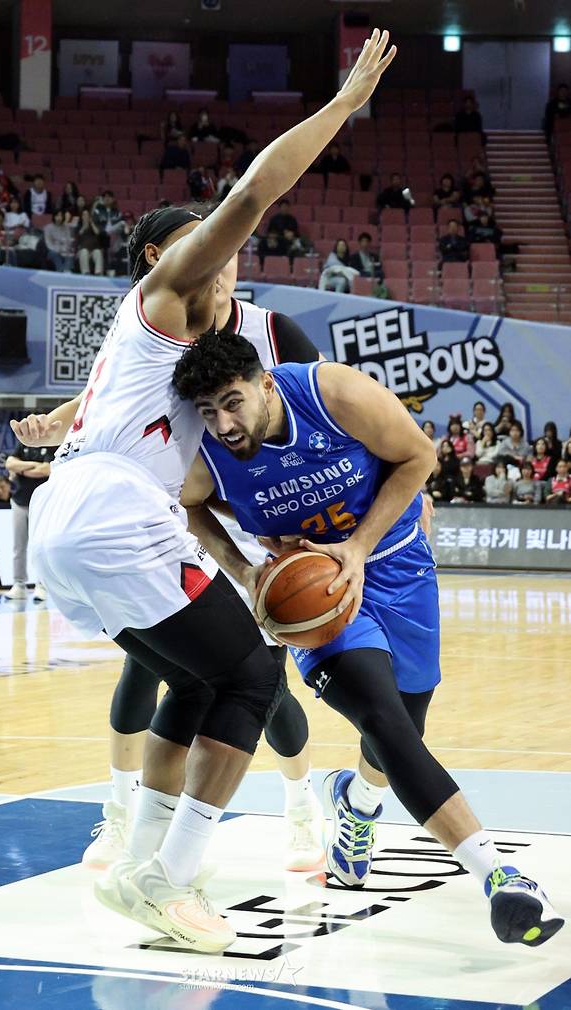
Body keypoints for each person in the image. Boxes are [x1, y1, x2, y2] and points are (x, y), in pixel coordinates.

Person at [10, 28, 399, 955]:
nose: (221, 258)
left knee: (192, 677)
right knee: (255, 676)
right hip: (112, 514)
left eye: (222, 251)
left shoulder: (219, 342)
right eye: (207, 247)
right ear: (173, 259)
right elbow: (256, 190)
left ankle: (140, 853)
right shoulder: (174, 291)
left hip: (77, 516)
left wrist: (52, 429)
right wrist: (344, 106)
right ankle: (168, 878)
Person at [174, 329, 563, 947]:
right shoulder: (203, 454)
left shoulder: (332, 393)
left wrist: (357, 546)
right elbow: (189, 504)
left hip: (398, 566)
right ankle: (502, 875)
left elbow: (419, 456)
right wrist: (244, 568)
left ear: (265, 384)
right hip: (318, 599)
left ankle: (355, 802)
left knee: (407, 717)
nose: (223, 422)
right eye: (208, 411)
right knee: (384, 719)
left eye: (232, 401)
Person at [82, 245, 329, 876]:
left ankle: (302, 807)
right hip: (174, 526)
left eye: (228, 253)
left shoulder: (272, 330)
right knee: (148, 672)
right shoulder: (162, 332)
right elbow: (103, 408)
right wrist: (57, 435)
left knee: (262, 687)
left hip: (260, 530)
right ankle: (125, 819)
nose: (221, 264)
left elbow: (328, 418)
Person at [4, 443, 51, 601]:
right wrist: (32, 466)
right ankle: (19, 584)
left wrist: (20, 469)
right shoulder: (22, 444)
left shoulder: (51, 445)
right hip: (19, 501)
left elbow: (46, 470)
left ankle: (42, 585)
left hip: (41, 503)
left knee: (40, 547)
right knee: (18, 547)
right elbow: (9, 464)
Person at [76, 209, 104, 275]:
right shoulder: (78, 226)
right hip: (83, 250)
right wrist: (84, 227)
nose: (86, 216)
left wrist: (91, 223)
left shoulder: (93, 226)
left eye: (87, 215)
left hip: (94, 249)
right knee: (84, 252)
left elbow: (97, 233)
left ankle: (98, 273)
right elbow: (78, 236)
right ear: (82, 217)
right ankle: (86, 273)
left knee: (98, 252)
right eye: (84, 215)